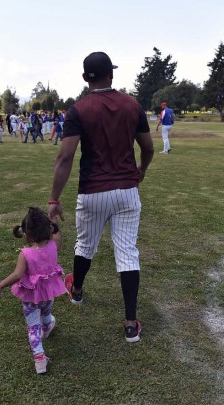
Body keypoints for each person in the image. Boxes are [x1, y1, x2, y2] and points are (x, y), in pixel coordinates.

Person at [48, 51, 154, 343]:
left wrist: (54, 199)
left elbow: (65, 156)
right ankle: (131, 323)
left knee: (85, 244)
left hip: (93, 191)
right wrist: (141, 170)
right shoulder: (132, 105)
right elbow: (147, 148)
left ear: (85, 78)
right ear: (112, 74)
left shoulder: (78, 109)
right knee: (127, 252)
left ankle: (77, 291)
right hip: (126, 191)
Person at [0, 207, 66, 375]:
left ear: (26, 234)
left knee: (33, 328)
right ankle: (48, 326)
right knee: (47, 312)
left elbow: (17, 274)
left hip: (30, 298)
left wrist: (2, 284)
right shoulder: (53, 245)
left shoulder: (25, 254)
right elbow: (57, 235)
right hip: (49, 294)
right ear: (48, 230)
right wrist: (54, 220)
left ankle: (40, 359)